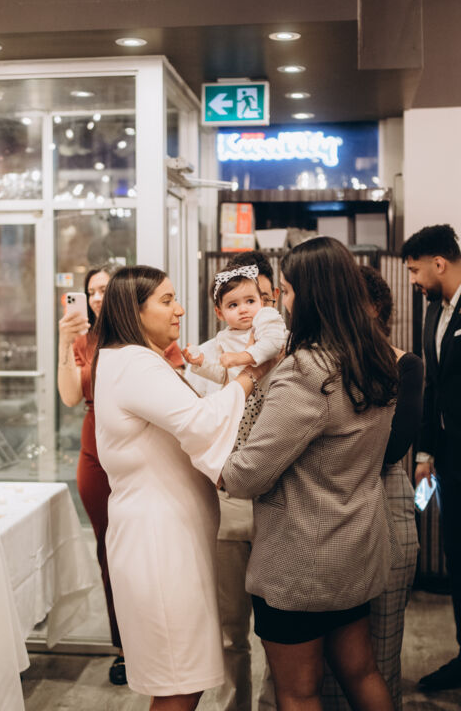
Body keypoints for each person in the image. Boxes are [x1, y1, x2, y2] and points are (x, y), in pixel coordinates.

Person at [221, 237, 399, 711]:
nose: (279, 302)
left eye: (284, 290)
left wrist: (218, 464)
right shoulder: (374, 358)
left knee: (299, 692)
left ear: (312, 295)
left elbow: (249, 474)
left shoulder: (308, 371)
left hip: (300, 562)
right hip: (354, 547)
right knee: (362, 672)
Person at [92, 265, 275, 710]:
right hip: (159, 539)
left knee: (181, 676)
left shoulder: (130, 358)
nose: (179, 310)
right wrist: (252, 375)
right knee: (180, 680)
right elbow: (201, 422)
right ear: (134, 311)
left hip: (164, 532)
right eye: (167, 300)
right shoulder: (135, 362)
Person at [321, 265, 423, 711]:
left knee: (380, 649)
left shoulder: (405, 364)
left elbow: (394, 446)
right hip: (329, 506)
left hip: (385, 496)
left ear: (375, 307)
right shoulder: (320, 363)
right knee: (326, 657)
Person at [185, 250, 283, 711]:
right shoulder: (208, 353)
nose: (248, 309)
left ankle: (276, 702)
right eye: (236, 302)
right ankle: (234, 705)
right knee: (230, 628)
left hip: (280, 498)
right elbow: (199, 425)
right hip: (226, 497)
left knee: (281, 628)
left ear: (270, 298)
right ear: (219, 308)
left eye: (256, 299)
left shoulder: (285, 344)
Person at [57, 263, 126, 685]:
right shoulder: (82, 340)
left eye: (104, 289)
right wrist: (65, 343)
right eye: (91, 291)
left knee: (143, 545)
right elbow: (69, 396)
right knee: (108, 551)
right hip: (94, 454)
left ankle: (153, 636)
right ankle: (123, 647)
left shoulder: (141, 333)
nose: (97, 297)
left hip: (136, 450)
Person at [402, 223, 461, 691]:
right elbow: (433, 387)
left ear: (439, 263)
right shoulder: (432, 311)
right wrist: (425, 453)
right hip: (449, 459)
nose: (413, 281)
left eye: (415, 270)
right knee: (457, 556)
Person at [185, 264, 285, 388]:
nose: (243, 309)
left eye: (250, 301)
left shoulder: (265, 317)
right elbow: (223, 376)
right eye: (233, 305)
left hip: (272, 392)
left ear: (261, 301)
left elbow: (274, 344)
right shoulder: (224, 338)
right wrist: (202, 363)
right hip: (242, 396)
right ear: (220, 313)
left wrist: (242, 357)